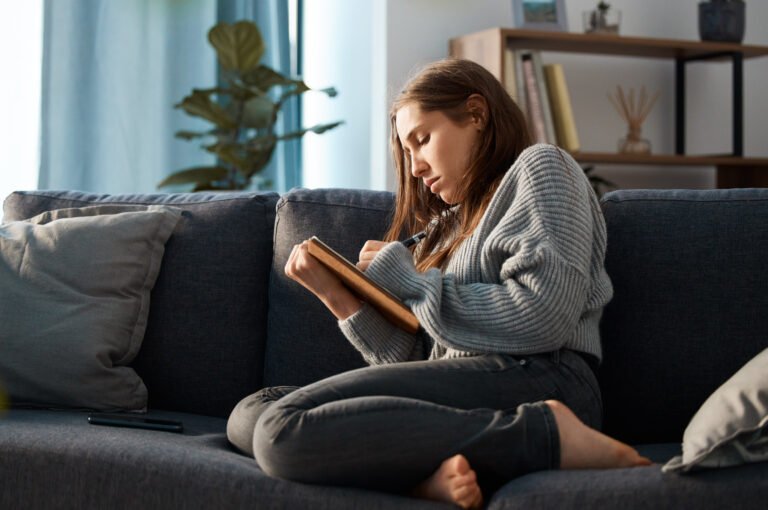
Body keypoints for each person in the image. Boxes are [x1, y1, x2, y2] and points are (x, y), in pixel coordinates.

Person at [227, 57, 652, 509]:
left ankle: (546, 434)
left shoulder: (541, 168)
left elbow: (542, 316)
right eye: (406, 152)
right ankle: (422, 478)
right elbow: (419, 358)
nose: (414, 169)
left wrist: (413, 279)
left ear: (476, 114)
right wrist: (339, 296)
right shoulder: (447, 227)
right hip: (471, 390)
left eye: (422, 140)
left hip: (540, 377)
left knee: (280, 433)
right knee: (252, 413)